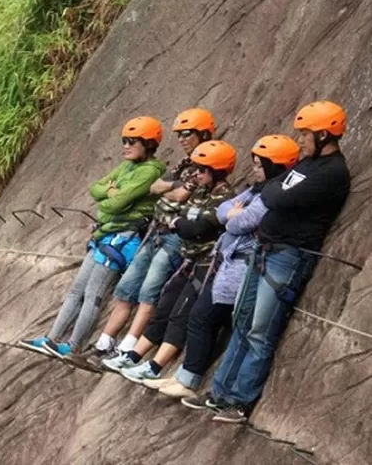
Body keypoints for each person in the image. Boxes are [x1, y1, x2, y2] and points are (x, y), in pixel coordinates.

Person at [182, 101, 351, 424]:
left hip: (287, 256)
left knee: (260, 329)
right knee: (242, 322)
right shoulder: (306, 165)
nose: (300, 139)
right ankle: (219, 394)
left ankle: (240, 401)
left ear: (325, 134)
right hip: (264, 250)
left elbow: (273, 196)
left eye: (305, 133)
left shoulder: (332, 172)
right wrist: (273, 193)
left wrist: (273, 194)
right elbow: (272, 189)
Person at [148, 135, 300, 399]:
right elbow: (224, 212)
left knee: (203, 317)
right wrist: (231, 215)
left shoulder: (273, 193)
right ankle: (186, 376)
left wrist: (231, 217)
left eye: (259, 164)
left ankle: (190, 380)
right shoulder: (256, 189)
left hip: (240, 265)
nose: (254, 169)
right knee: (201, 317)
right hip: (228, 262)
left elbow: (237, 221)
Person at [18, 116, 166, 360]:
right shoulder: (127, 166)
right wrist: (109, 194)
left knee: (94, 293)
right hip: (106, 233)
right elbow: (96, 188)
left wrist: (110, 198)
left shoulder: (150, 171)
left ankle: (74, 346)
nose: (125, 146)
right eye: (123, 141)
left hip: (122, 238)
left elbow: (118, 203)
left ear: (148, 144)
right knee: (77, 289)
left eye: (132, 141)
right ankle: (52, 339)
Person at [85, 109, 216, 362]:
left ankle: (127, 351)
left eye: (187, 134)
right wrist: (170, 188)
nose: (182, 139)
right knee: (125, 289)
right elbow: (156, 188)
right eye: (179, 134)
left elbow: (178, 195)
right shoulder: (183, 164)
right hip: (156, 230)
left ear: (203, 133)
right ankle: (104, 343)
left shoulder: (207, 164)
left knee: (149, 292)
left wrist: (169, 189)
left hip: (175, 236)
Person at [101, 140, 238, 383]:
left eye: (202, 170)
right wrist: (179, 221)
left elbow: (197, 227)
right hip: (189, 258)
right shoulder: (199, 189)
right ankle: (132, 356)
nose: (197, 174)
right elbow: (164, 208)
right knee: (165, 305)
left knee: (182, 312)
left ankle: (154, 367)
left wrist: (177, 223)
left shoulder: (224, 197)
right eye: (196, 168)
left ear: (216, 171)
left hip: (206, 261)